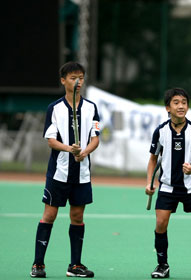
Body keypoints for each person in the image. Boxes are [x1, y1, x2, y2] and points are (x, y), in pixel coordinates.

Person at [30, 62, 100, 278]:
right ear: (63, 81)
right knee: (49, 215)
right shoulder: (55, 108)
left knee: (77, 216)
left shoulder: (91, 107)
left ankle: (75, 265)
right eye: (72, 78)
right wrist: (70, 149)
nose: (78, 82)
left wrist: (84, 152)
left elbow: (95, 139)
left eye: (80, 78)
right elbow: (51, 140)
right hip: (58, 173)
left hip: (82, 174)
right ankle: (38, 265)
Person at [145, 88, 191, 280]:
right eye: (176, 102)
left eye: (184, 102)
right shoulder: (160, 131)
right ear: (168, 107)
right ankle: (162, 266)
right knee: (160, 224)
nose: (181, 106)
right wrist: (149, 182)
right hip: (167, 187)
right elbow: (153, 159)